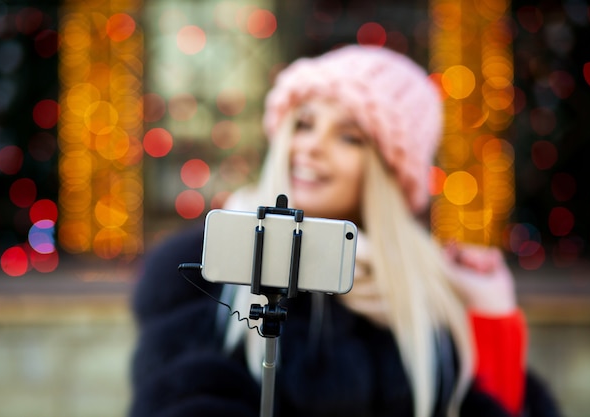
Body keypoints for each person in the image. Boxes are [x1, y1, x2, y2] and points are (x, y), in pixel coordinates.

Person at [129, 45, 561, 417]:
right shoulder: (207, 270)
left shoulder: (423, 289)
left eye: (349, 137)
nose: (312, 146)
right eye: (304, 124)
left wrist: (492, 314)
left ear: (389, 171)